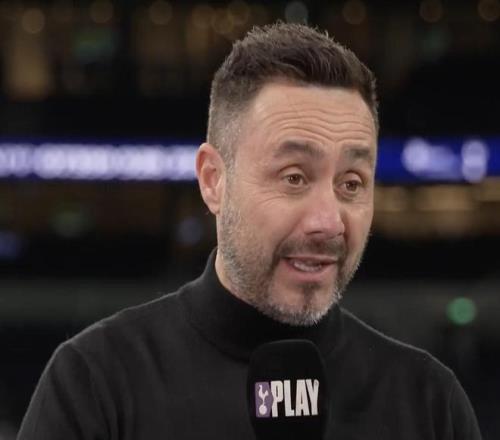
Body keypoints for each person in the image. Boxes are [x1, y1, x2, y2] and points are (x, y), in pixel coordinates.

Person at [18, 23, 482, 440]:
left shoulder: (429, 402)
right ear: (213, 181)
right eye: (294, 177)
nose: (328, 222)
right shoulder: (95, 383)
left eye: (351, 183)